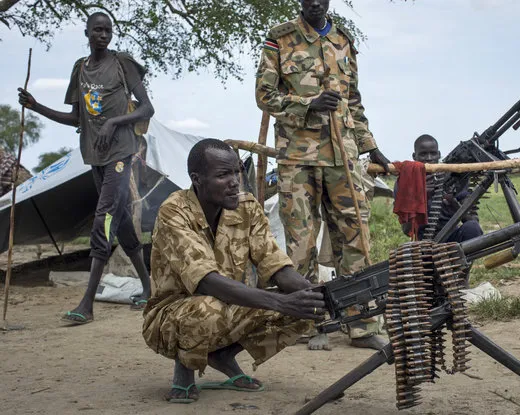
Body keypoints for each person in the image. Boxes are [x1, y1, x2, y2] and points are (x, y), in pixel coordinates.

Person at [142, 139, 325, 403]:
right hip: (170, 316)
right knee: (205, 308)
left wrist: (316, 295)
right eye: (222, 175)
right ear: (197, 179)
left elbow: (275, 266)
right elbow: (206, 282)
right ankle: (184, 373)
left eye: (236, 171)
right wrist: (281, 302)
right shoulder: (174, 211)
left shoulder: (246, 208)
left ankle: (223, 356)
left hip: (229, 303)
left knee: (305, 307)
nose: (234, 181)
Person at [255, 0, 391, 351]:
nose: (315, 1)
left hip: (342, 156)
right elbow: (264, 95)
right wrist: (308, 104)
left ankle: (360, 323)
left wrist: (369, 145)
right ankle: (308, 324)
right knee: (301, 242)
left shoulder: (343, 39)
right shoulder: (279, 38)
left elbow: (354, 101)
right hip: (298, 157)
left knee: (355, 237)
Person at [18, 12, 154, 324]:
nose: (103, 35)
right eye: (97, 30)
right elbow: (76, 118)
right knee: (119, 224)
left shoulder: (123, 64)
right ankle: (149, 289)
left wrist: (113, 122)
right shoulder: (80, 69)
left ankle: (86, 304)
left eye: (108, 30)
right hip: (94, 157)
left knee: (103, 219)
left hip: (121, 153)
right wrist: (36, 106)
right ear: (87, 33)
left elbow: (147, 107)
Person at [398, 134, 483, 243]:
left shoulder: (453, 177)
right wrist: (421, 198)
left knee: (472, 228)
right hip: (423, 242)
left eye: (433, 154)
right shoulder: (407, 182)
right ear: (414, 157)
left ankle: (460, 259)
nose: (429, 159)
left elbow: (473, 221)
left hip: (452, 237)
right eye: (423, 154)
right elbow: (407, 229)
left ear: (439, 155)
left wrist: (454, 204)